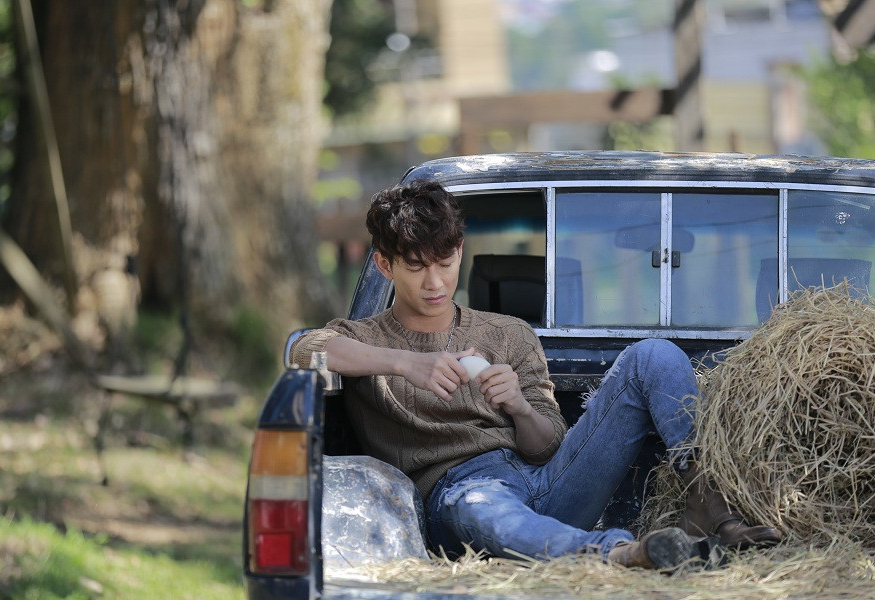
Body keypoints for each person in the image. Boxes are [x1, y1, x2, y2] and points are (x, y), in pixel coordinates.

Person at [290, 180, 782, 569]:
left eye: (445, 262)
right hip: (457, 499)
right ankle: (619, 554)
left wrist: (519, 407)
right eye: (416, 267)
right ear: (385, 264)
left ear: (460, 250)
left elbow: (547, 447)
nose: (435, 282)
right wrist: (402, 362)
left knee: (653, 355)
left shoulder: (509, 333)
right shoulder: (365, 338)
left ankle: (711, 503)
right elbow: (302, 348)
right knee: (478, 502)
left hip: (542, 482)